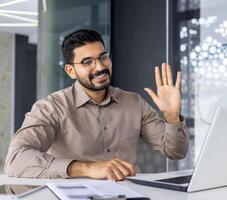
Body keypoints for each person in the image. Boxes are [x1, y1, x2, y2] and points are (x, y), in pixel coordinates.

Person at [4, 29, 188, 180]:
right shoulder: (51, 107)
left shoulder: (134, 103)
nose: (99, 67)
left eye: (103, 57)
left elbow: (175, 152)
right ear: (71, 71)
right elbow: (15, 161)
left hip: (130, 193)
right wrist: (85, 168)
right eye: (87, 62)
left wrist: (172, 116)